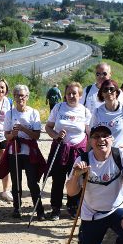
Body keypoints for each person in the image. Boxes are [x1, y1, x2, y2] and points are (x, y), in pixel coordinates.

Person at [66, 125, 123, 244]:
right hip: (93, 213)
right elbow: (71, 192)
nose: (101, 139)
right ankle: (84, 235)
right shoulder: (83, 160)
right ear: (90, 141)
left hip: (116, 208)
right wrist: (76, 175)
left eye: (105, 136)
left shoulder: (121, 155)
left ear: (111, 139)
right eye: (96, 136)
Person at [45, 82, 91, 220]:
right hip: (60, 147)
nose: (71, 96)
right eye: (69, 93)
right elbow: (48, 127)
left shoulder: (85, 111)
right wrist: (56, 136)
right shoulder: (58, 108)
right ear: (64, 95)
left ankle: (72, 206)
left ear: (80, 95)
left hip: (78, 149)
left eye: (74, 93)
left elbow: (89, 133)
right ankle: (55, 208)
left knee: (76, 178)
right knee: (58, 178)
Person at [0, 84, 47, 219]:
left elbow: (37, 135)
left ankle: (39, 209)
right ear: (14, 97)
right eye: (17, 95)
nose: (20, 98)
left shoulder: (34, 112)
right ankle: (17, 207)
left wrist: (23, 129)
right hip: (14, 151)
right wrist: (13, 134)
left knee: (32, 182)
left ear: (27, 97)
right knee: (16, 182)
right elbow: (7, 136)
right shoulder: (10, 113)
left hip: (29, 152)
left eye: (23, 95)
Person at [90, 79, 123, 150]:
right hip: (102, 153)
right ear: (102, 94)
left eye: (112, 89)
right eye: (105, 90)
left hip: (120, 153)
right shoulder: (97, 112)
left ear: (117, 92)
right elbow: (92, 134)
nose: (109, 92)